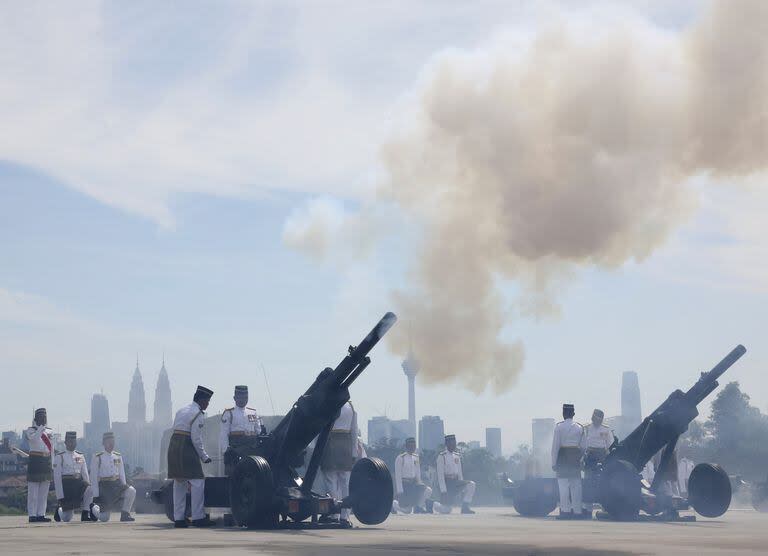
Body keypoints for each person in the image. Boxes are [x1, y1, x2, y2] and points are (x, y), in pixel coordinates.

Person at [168, 385, 215, 528]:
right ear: (201, 400)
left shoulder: (181, 410)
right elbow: (196, 438)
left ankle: (179, 519)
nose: (208, 404)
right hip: (186, 447)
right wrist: (204, 456)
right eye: (207, 401)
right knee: (197, 482)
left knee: (179, 483)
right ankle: (198, 517)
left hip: (174, 447)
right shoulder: (198, 414)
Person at [319, 401, 359, 527]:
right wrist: (354, 452)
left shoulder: (327, 403)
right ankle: (345, 516)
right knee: (345, 482)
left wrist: (316, 448)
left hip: (330, 442)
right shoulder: (351, 406)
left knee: (331, 481)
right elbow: (354, 431)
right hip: (346, 445)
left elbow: (320, 426)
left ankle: (333, 513)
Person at [90, 432, 136, 522]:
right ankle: (93, 508)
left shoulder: (117, 456)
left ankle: (125, 514)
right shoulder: (97, 457)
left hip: (117, 485)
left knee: (131, 490)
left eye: (113, 442)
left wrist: (124, 487)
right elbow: (93, 478)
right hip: (105, 488)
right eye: (109, 442)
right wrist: (96, 495)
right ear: (103, 443)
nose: (111, 444)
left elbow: (121, 473)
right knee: (104, 518)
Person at [220, 385, 264, 475]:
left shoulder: (253, 412)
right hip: (236, 448)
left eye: (245, 397)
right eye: (240, 397)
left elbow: (258, 431)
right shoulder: (229, 413)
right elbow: (223, 434)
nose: (243, 400)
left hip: (252, 448)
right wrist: (225, 450)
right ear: (235, 398)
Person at [552, 403, 586, 520]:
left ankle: (565, 511)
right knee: (576, 485)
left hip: (562, 457)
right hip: (574, 457)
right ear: (573, 414)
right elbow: (583, 447)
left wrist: (554, 463)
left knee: (563, 486)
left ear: (563, 413)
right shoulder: (580, 427)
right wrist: (579, 458)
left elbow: (555, 447)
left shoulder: (559, 427)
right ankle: (577, 511)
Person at [53, 431, 96, 522]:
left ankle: (85, 513)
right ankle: (59, 510)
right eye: (70, 441)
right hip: (67, 487)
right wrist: (60, 497)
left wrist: (88, 487)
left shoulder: (80, 456)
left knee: (90, 488)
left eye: (74, 441)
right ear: (65, 443)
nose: (72, 443)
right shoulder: (59, 457)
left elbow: (84, 474)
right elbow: (57, 479)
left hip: (78, 484)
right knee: (67, 518)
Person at [581, 409, 613, 513]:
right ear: (592, 418)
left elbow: (610, 445)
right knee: (588, 482)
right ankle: (587, 508)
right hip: (590, 457)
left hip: (602, 458)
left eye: (599, 419)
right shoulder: (586, 428)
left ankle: (605, 506)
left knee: (603, 482)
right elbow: (583, 444)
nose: (596, 421)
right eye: (595, 418)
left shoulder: (606, 429)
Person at [434, 434, 475, 514]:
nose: (453, 445)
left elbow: (459, 472)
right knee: (446, 510)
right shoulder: (442, 456)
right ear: (447, 444)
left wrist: (462, 489)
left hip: (456, 482)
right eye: (451, 443)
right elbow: (440, 476)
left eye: (454, 443)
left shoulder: (456, 456)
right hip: (447, 484)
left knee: (471, 484)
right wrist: (443, 491)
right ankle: (432, 504)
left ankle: (465, 507)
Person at [25, 408, 53, 523]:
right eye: (41, 417)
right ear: (35, 419)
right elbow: (34, 440)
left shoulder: (50, 431)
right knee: (33, 492)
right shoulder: (30, 430)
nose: (44, 419)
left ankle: (41, 514)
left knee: (43, 491)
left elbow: (52, 448)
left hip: (46, 461)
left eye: (45, 417)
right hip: (35, 461)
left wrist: (53, 462)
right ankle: (32, 515)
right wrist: (40, 428)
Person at [392, 437, 432, 514]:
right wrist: (400, 491)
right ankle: (394, 504)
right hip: (405, 485)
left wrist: (420, 483)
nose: (412, 448)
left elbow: (417, 473)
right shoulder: (400, 458)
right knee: (407, 511)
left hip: (414, 484)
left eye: (414, 446)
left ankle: (418, 507)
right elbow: (398, 476)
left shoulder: (416, 457)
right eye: (410, 446)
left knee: (428, 490)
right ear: (406, 446)